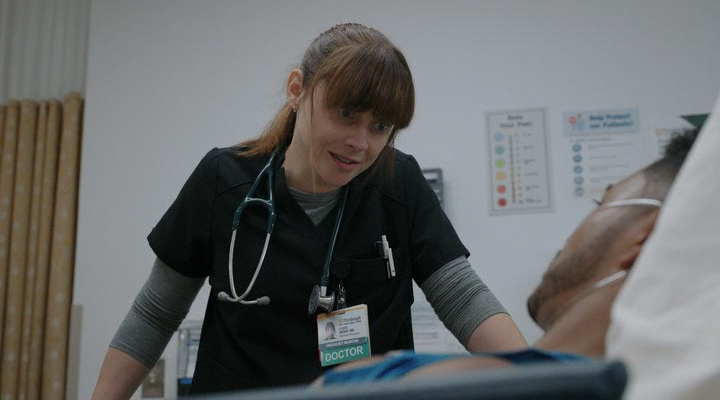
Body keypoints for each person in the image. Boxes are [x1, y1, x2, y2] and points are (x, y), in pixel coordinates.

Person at [92, 23, 526, 398]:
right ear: (297, 90)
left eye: (380, 126)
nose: (360, 143)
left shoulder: (398, 185)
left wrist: (543, 379)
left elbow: (462, 297)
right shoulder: (224, 181)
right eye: (346, 113)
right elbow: (155, 313)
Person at [316, 127, 698, 385]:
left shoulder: (383, 381)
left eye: (602, 202)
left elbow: (459, 292)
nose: (360, 141)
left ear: (645, 238)